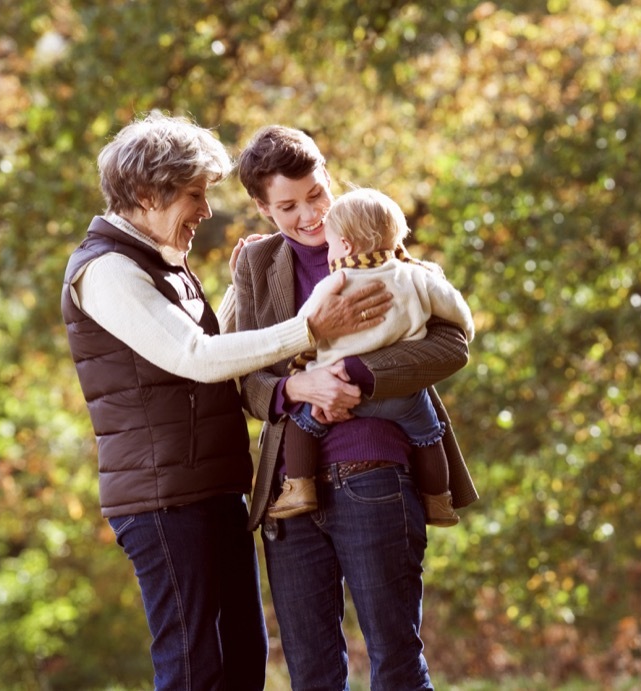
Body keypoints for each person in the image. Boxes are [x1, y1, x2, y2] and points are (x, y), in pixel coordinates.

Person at [59, 111, 392, 691]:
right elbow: (193, 355)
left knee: (242, 663)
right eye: (194, 195)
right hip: (164, 502)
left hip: (211, 491)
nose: (205, 212)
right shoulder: (106, 271)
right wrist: (310, 328)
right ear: (145, 193)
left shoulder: (161, 263)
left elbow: (216, 351)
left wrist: (242, 283)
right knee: (195, 670)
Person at [233, 125, 478, 691]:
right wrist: (301, 387)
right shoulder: (255, 266)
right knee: (312, 675)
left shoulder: (379, 239)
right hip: (287, 496)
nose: (311, 216)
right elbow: (247, 378)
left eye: (316, 194)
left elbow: (451, 344)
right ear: (263, 208)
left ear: (329, 180)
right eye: (288, 206)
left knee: (395, 663)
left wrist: (359, 378)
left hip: (374, 474)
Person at [269, 187, 476, 528]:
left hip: (337, 387)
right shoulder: (415, 275)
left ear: (346, 246)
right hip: (403, 395)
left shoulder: (334, 282)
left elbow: (303, 327)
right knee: (428, 435)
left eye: (332, 243)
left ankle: (299, 486)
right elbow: (456, 310)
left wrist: (304, 367)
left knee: (301, 423)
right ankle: (439, 500)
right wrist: (466, 329)